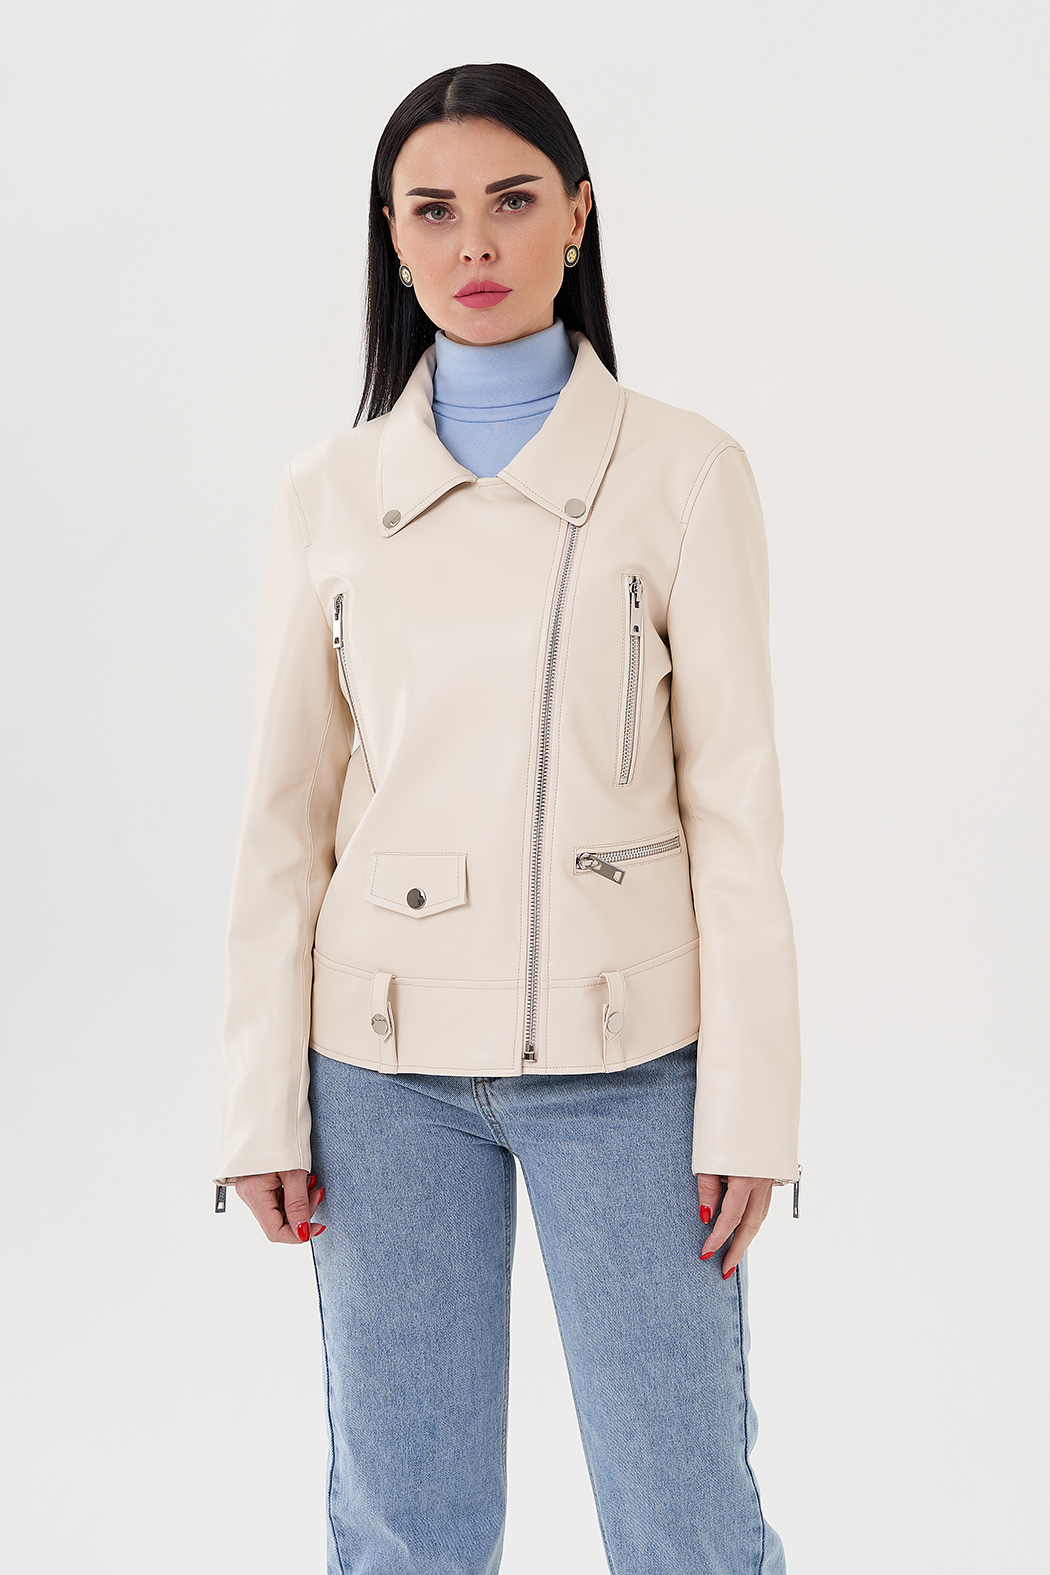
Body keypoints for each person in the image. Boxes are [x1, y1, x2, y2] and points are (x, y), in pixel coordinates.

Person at [215, 60, 802, 1575]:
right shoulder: (328, 491)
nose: (473, 243)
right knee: (404, 1529)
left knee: (684, 1523)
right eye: (432, 211)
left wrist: (750, 1107)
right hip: (379, 1078)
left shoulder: (683, 472)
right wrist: (258, 1105)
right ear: (392, 238)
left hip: (632, 1071)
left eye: (512, 200)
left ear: (577, 217)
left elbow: (736, 814)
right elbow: (282, 822)